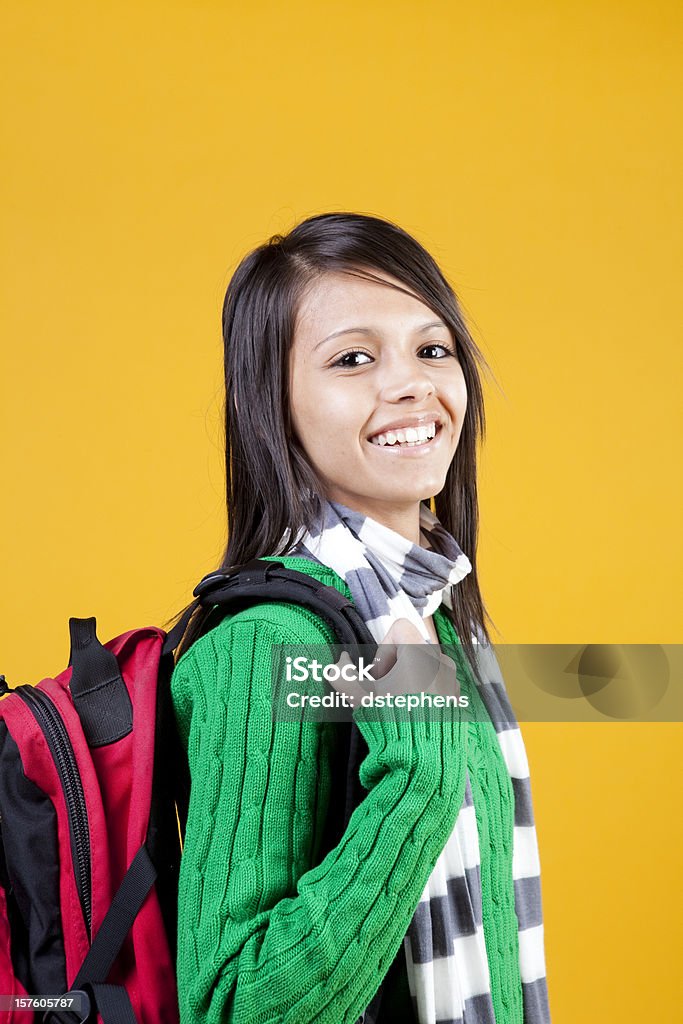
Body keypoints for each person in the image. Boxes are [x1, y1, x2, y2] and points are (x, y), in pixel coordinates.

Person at [167, 212, 551, 1024]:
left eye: (432, 348)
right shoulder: (265, 645)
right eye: (352, 358)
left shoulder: (434, 621)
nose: (411, 384)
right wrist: (417, 775)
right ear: (273, 401)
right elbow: (232, 1006)